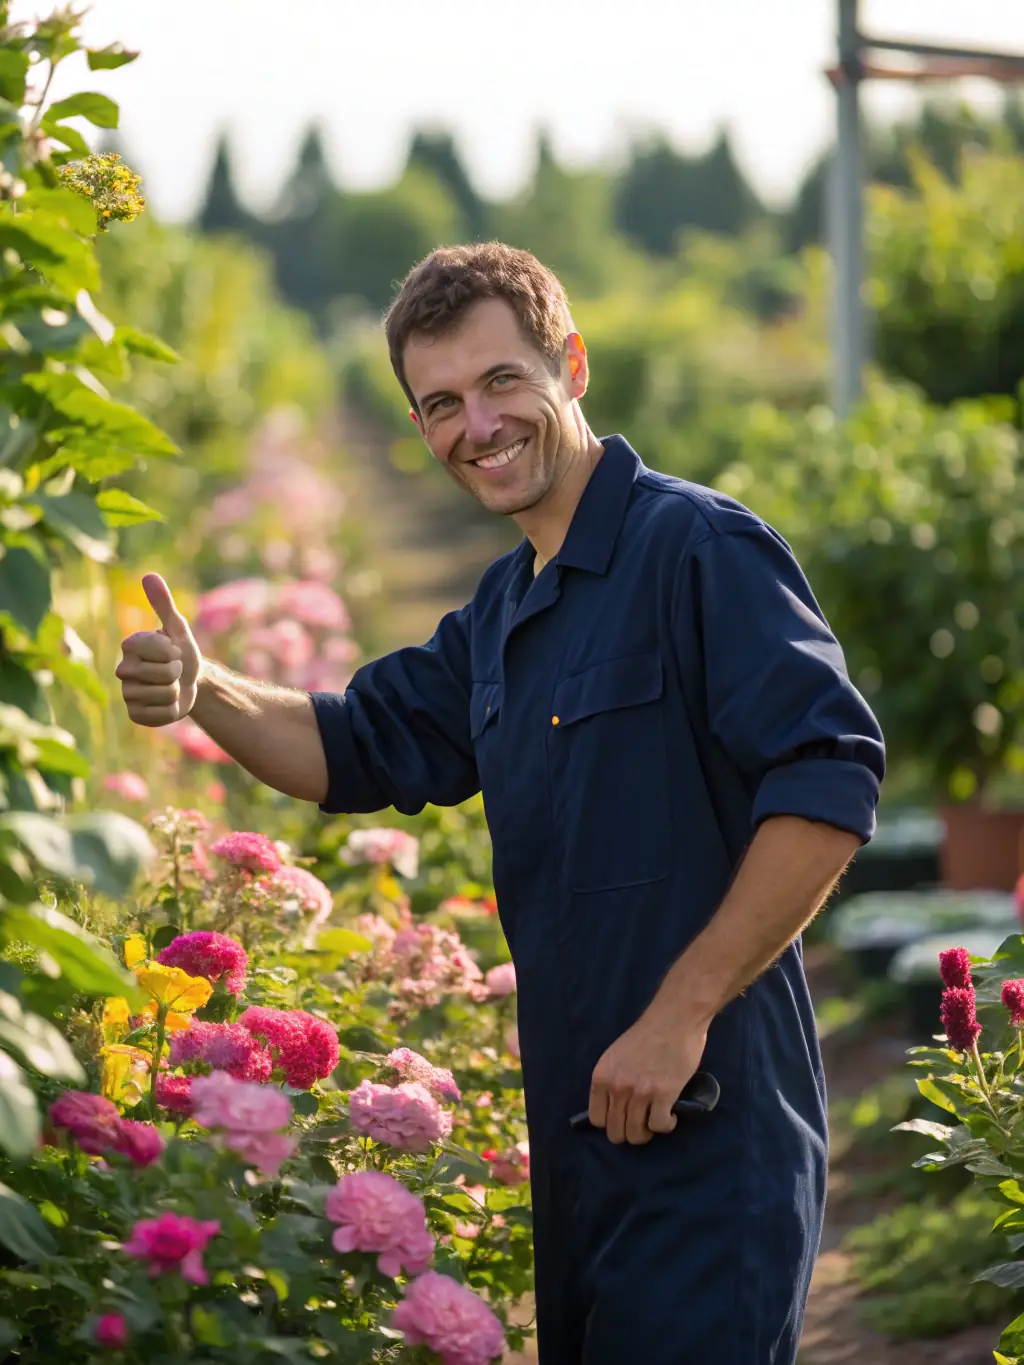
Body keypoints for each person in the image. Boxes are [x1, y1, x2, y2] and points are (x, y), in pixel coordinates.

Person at [117, 242, 885, 1365]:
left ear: (568, 365)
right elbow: (355, 745)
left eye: (500, 382)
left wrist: (679, 1014)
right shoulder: (505, 607)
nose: (475, 424)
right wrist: (207, 688)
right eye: (440, 404)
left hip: (709, 1123)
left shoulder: (695, 549)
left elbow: (827, 779)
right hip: (582, 1148)